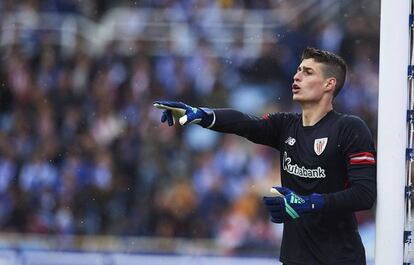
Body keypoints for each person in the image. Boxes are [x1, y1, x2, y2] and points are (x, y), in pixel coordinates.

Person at [153, 47, 376, 265]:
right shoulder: (286, 126)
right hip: (294, 258)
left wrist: (309, 203)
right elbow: (245, 124)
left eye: (307, 72)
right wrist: (201, 114)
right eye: (298, 70)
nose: (297, 76)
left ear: (329, 84)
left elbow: (364, 195)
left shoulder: (349, 128)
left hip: (340, 259)